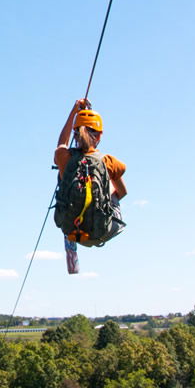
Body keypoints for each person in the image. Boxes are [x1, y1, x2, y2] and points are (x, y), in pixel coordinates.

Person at [53, 99, 127, 274]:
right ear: (100, 135)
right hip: (101, 230)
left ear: (75, 134)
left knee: (63, 184)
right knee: (112, 193)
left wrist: (74, 111)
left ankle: (70, 243)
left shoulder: (64, 157)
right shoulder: (109, 161)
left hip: (71, 227)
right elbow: (122, 193)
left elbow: (60, 145)